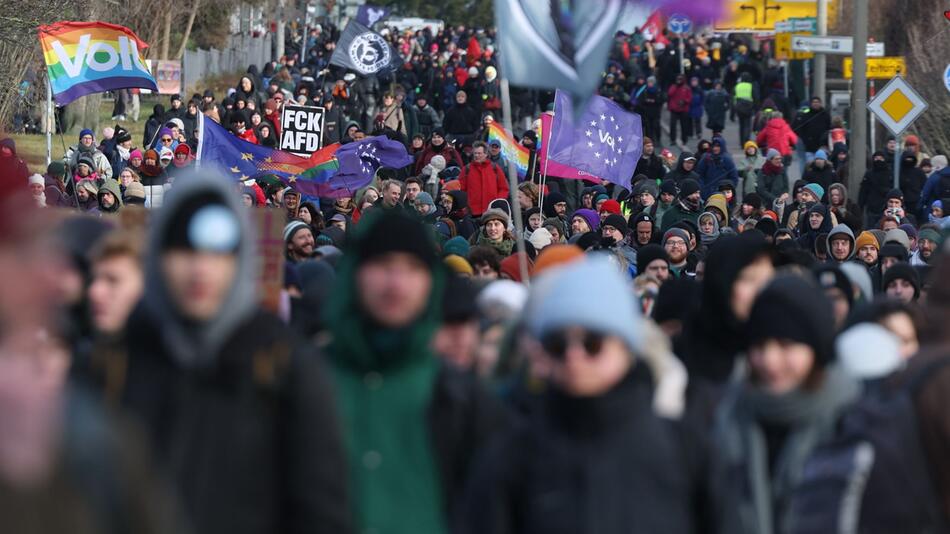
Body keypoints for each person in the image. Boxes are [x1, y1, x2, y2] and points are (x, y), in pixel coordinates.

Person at [111, 171, 350, 534]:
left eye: (217, 253)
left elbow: (322, 510)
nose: (200, 269)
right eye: (183, 250)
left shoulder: (285, 365)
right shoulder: (119, 359)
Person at [460, 256, 699, 534]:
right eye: (558, 344)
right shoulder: (511, 455)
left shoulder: (684, 449)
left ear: (625, 348)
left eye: (592, 343)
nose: (574, 356)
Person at [323, 209, 505, 534]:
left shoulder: (463, 396)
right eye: (383, 266)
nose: (397, 284)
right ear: (356, 273)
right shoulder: (306, 378)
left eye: (412, 269)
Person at [709, 274, 860, 534]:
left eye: (786, 345)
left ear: (816, 348)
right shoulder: (726, 416)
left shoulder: (852, 422)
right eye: (759, 345)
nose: (769, 360)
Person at [459, 141, 509, 217]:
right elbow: (461, 189)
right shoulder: (467, 169)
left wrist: (497, 202)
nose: (476, 155)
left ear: (486, 154)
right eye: (475, 153)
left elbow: (503, 188)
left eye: (479, 153)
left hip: (491, 211)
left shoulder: (495, 168)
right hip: (472, 212)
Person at [859, 151, 894, 228]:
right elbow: (863, 191)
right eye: (876, 158)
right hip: (871, 208)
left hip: (886, 207)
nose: (878, 160)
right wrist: (860, 206)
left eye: (881, 158)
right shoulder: (869, 174)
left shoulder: (890, 173)